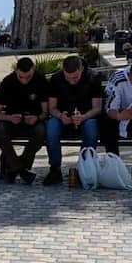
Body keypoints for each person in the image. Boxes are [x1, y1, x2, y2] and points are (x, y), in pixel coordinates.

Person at [43, 55, 103, 185]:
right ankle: (55, 169)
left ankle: (85, 167)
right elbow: (52, 108)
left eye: (75, 78)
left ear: (81, 69)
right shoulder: (56, 79)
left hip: (86, 116)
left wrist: (83, 117)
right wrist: (60, 116)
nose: (72, 81)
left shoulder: (94, 77)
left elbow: (97, 108)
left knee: (91, 128)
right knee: (51, 127)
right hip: (62, 117)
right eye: (68, 78)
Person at [0, 57, 48, 185]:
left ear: (33, 70)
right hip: (11, 120)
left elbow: (45, 112)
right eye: (21, 77)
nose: (24, 81)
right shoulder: (8, 81)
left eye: (28, 77)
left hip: (33, 120)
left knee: (40, 132)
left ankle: (14, 169)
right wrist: (9, 118)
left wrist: (37, 118)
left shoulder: (40, 80)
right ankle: (21, 170)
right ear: (16, 71)